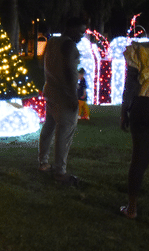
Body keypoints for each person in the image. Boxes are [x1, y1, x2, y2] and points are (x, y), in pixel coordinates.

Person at [38, 17, 87, 185]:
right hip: (65, 96)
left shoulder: (52, 42)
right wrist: (73, 96)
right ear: (70, 27)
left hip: (50, 91)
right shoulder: (69, 45)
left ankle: (43, 162)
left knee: (49, 128)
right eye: (80, 31)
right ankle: (60, 172)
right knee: (63, 134)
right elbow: (70, 72)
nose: (81, 35)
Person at [120, 9, 149, 219]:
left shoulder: (138, 50)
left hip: (143, 106)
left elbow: (131, 84)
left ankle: (132, 208)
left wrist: (125, 110)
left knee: (139, 159)